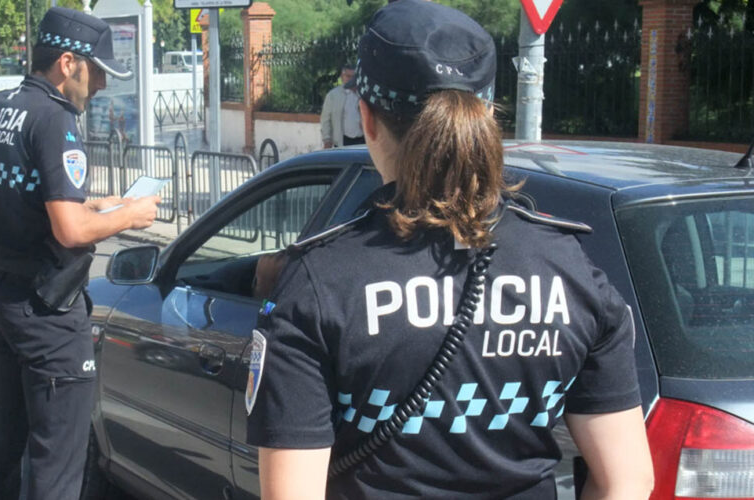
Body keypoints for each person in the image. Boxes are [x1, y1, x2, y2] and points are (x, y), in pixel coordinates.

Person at [246, 2, 654, 499]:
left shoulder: (318, 280)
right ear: (485, 117)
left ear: (367, 119)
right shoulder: (571, 267)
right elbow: (627, 481)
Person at [0, 7, 159, 500]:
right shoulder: (55, 118)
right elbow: (71, 232)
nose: (99, 86)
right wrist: (130, 216)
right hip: (46, 309)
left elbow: (25, 196)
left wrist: (93, 204)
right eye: (96, 73)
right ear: (68, 62)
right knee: (58, 462)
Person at [320, 64, 364, 148]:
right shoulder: (333, 95)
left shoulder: (363, 94)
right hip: (342, 141)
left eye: (353, 76)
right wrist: (327, 139)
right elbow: (326, 119)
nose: (351, 79)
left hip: (363, 140)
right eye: (348, 76)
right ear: (342, 77)